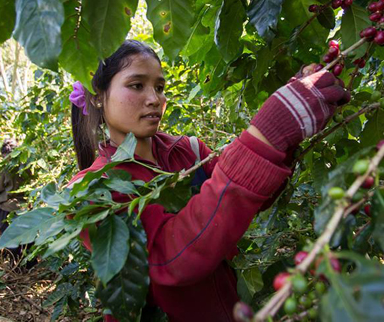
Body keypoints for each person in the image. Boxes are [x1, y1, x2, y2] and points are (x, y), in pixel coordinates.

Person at [67, 40, 347, 322]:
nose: (155, 99)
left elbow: (249, 198)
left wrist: (284, 136)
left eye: (160, 87)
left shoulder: (189, 151)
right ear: (97, 96)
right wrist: (266, 134)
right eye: (137, 85)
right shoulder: (91, 191)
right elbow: (170, 258)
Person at [0, 138, 36, 269]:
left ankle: (14, 266)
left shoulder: (4, 166)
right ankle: (30, 265)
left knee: (9, 236)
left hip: (7, 206)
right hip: (25, 206)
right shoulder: (27, 163)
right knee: (27, 236)